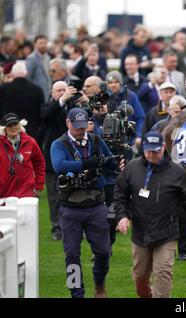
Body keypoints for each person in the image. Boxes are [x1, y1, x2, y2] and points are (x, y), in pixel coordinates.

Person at [114, 130, 186, 298]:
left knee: (163, 273)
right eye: (149, 151)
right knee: (140, 276)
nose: (152, 155)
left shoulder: (177, 171)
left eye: (156, 151)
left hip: (167, 233)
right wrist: (122, 216)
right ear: (143, 148)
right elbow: (120, 193)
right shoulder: (132, 168)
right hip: (141, 233)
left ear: (164, 147)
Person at [50, 107, 122, 298]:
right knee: (72, 255)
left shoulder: (96, 140)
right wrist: (86, 163)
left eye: (83, 127)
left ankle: (99, 284)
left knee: (104, 252)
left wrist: (117, 161)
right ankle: (77, 293)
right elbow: (59, 166)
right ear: (68, 123)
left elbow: (110, 164)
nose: (81, 131)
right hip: (70, 207)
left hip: (96, 205)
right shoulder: (59, 144)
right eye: (77, 127)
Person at [41, 81, 87, 240]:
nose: (62, 92)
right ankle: (56, 228)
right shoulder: (48, 106)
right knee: (54, 196)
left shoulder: (74, 107)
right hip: (54, 159)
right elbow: (46, 116)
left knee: (76, 192)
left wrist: (85, 102)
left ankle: (77, 227)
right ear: (52, 93)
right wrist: (62, 100)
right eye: (58, 90)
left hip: (75, 157)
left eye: (64, 89)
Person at [0, 113, 45, 198]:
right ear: (4, 129)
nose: (13, 128)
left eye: (15, 124)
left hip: (27, 192)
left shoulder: (30, 142)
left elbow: (40, 164)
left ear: (20, 126)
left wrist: (39, 185)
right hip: (5, 193)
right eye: (10, 125)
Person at [0, 62, 45, 142]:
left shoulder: (3, 90)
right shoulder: (37, 90)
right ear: (26, 74)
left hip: (8, 133)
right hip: (31, 133)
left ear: (12, 74)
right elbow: (41, 115)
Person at [25, 35, 52, 100]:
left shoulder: (47, 57)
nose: (43, 45)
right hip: (36, 95)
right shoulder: (31, 58)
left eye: (45, 43)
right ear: (35, 44)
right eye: (40, 43)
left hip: (47, 93)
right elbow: (27, 78)